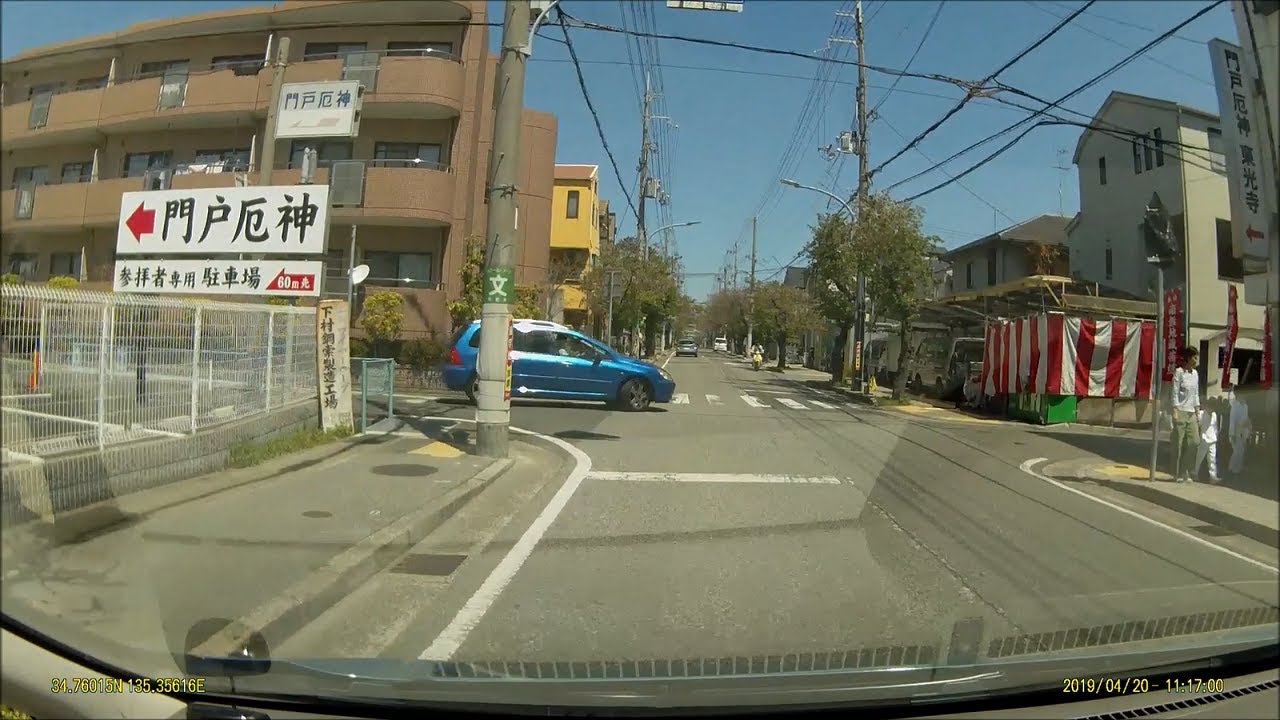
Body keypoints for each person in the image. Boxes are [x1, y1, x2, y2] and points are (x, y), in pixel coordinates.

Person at [1170, 346, 1201, 483]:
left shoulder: (1195, 374)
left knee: (1194, 442)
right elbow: (1175, 392)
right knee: (1178, 444)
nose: (1196, 360)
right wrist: (1175, 410)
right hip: (1181, 410)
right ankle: (1177, 473)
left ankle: (1186, 469)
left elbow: (1196, 394)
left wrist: (1197, 411)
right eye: (1194, 357)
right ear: (1188, 358)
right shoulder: (1179, 372)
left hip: (1191, 412)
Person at [1193, 396, 1221, 484]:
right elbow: (1198, 424)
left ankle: (1213, 476)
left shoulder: (1214, 415)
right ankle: (1195, 473)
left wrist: (1216, 435)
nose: (1212, 409)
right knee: (1199, 458)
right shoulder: (1201, 414)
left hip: (1212, 439)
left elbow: (1215, 427)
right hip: (1204, 439)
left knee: (1212, 459)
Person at [1226, 386, 1252, 476]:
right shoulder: (1235, 406)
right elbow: (1232, 420)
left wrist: (1248, 426)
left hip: (1243, 430)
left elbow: (1246, 417)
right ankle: (1232, 468)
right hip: (1236, 430)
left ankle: (1238, 468)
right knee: (1237, 451)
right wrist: (1232, 434)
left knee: (1241, 451)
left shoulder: (1245, 406)